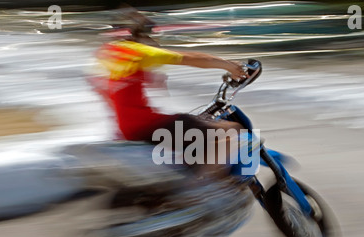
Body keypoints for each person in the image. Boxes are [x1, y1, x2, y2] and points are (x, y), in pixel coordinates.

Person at [89, 8, 247, 182]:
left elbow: (102, 89)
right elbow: (191, 58)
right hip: (146, 125)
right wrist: (230, 66)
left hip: (125, 131)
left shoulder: (106, 53)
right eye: (149, 33)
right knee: (233, 131)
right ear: (139, 33)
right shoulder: (138, 51)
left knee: (188, 127)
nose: (152, 39)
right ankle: (204, 191)